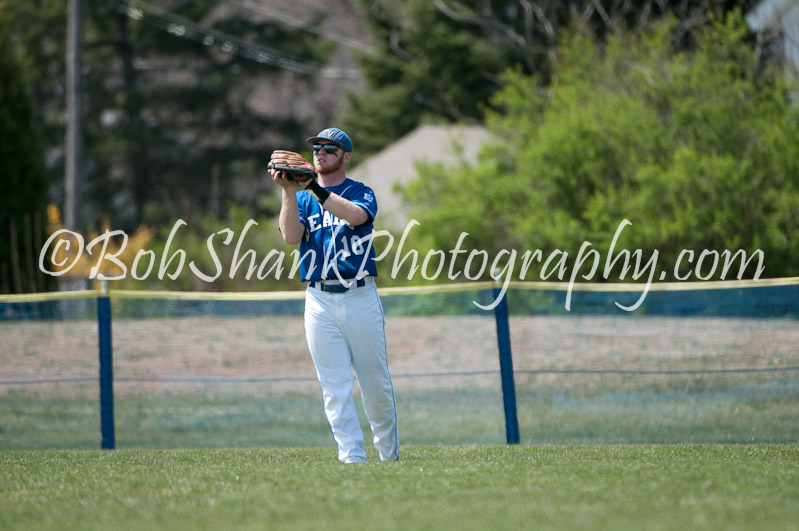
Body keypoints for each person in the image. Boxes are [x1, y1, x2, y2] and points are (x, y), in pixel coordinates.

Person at [268, 127, 399, 463]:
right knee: (334, 387)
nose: (320, 152)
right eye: (316, 148)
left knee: (375, 386)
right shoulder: (302, 198)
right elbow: (290, 237)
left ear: (346, 156)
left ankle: (388, 456)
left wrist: (311, 185)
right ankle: (351, 458)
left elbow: (355, 216)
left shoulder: (360, 191)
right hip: (319, 300)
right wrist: (288, 191)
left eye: (330, 148)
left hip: (359, 296)